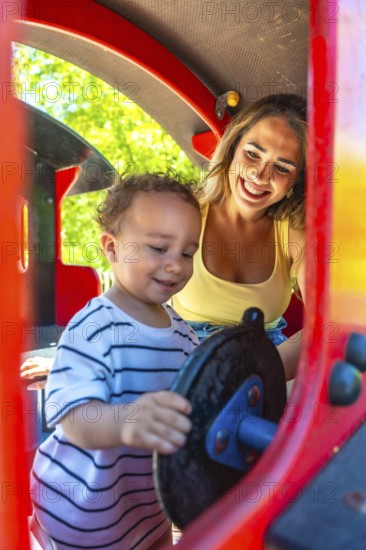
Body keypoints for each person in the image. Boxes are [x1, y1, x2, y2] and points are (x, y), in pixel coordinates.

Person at [30, 172, 202, 549]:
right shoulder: (94, 327)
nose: (175, 265)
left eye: (188, 253)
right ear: (111, 247)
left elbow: (200, 396)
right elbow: (73, 419)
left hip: (146, 502)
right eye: (159, 248)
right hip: (81, 509)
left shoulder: (182, 333)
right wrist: (129, 420)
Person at [172, 93, 307, 381]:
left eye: (282, 168)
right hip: (186, 366)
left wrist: (253, 378)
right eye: (253, 153)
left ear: (297, 181)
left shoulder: (294, 230)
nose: (260, 174)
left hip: (269, 369)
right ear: (232, 148)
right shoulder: (185, 213)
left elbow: (330, 323)